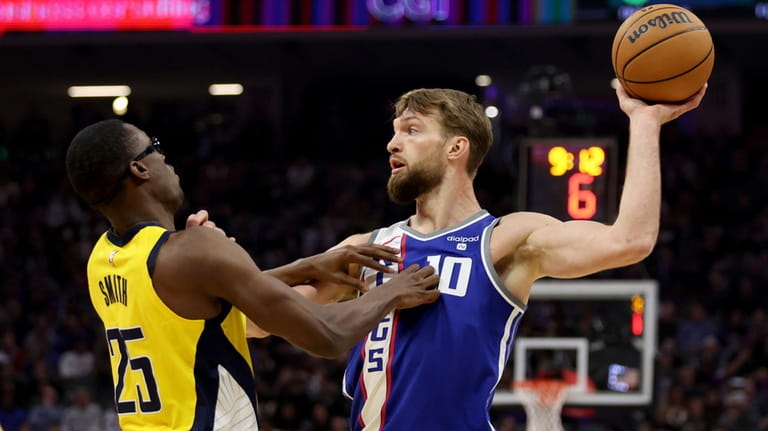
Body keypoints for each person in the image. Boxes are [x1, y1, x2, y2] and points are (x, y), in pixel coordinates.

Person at [334, 84, 706, 430]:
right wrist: (297, 272)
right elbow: (274, 317)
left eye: (411, 130)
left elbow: (631, 241)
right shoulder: (365, 249)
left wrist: (644, 123)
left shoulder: (506, 240)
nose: (392, 144)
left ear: (455, 148)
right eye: (395, 131)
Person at [64, 119, 441, 431]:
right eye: (155, 147)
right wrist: (392, 291)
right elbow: (327, 335)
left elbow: (208, 304)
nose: (165, 157)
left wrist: (304, 267)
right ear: (139, 168)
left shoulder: (102, 258)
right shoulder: (193, 253)